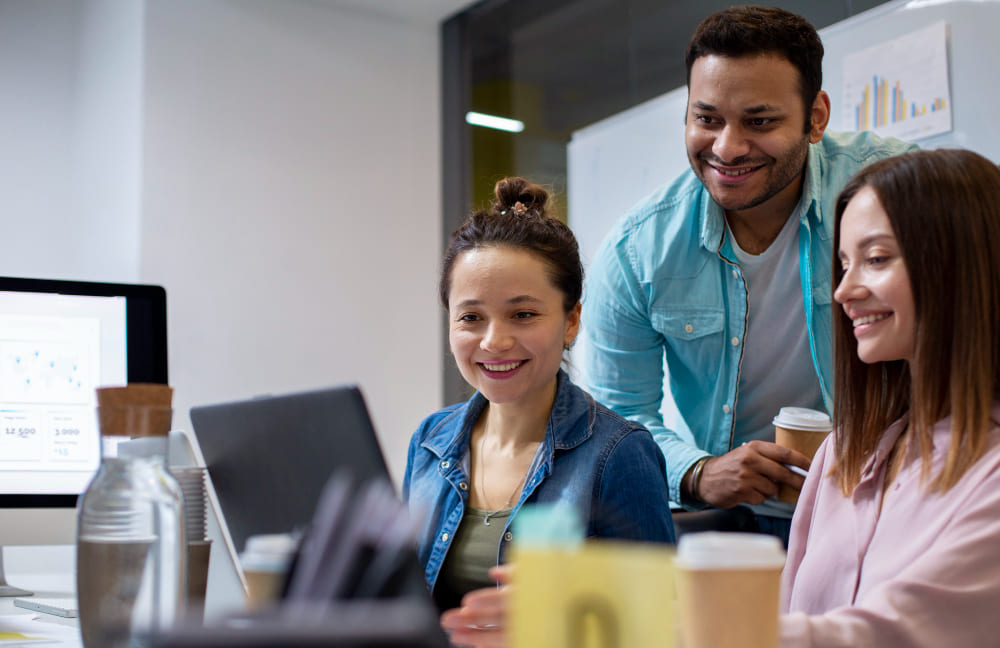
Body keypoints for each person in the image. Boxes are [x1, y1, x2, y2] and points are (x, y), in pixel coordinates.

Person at [581, 5, 918, 540]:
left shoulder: (893, 186)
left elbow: (967, 321)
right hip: (746, 519)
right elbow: (615, 417)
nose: (728, 148)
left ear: (816, 117)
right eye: (707, 119)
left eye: (759, 121)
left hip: (895, 498)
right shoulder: (637, 250)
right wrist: (698, 472)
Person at [402, 177, 675, 627]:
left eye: (523, 314)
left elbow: (658, 626)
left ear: (571, 321)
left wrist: (552, 624)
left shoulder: (618, 454)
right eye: (471, 317)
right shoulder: (430, 442)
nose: (495, 340)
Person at [780, 148, 1000, 646]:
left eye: (876, 259)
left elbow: (894, 634)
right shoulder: (842, 452)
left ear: (960, 265)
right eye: (843, 264)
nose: (843, 290)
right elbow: (788, 605)